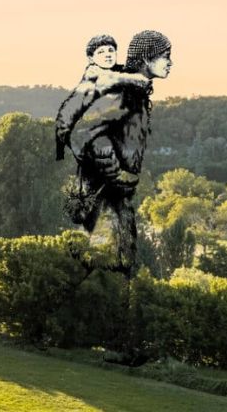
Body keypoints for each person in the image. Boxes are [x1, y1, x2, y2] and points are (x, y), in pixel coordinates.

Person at [59, 30, 173, 274]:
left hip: (116, 200)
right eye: (165, 56)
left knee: (120, 271)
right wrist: (116, 173)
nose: (170, 62)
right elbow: (81, 133)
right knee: (103, 271)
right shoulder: (124, 94)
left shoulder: (134, 91)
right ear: (146, 58)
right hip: (103, 201)